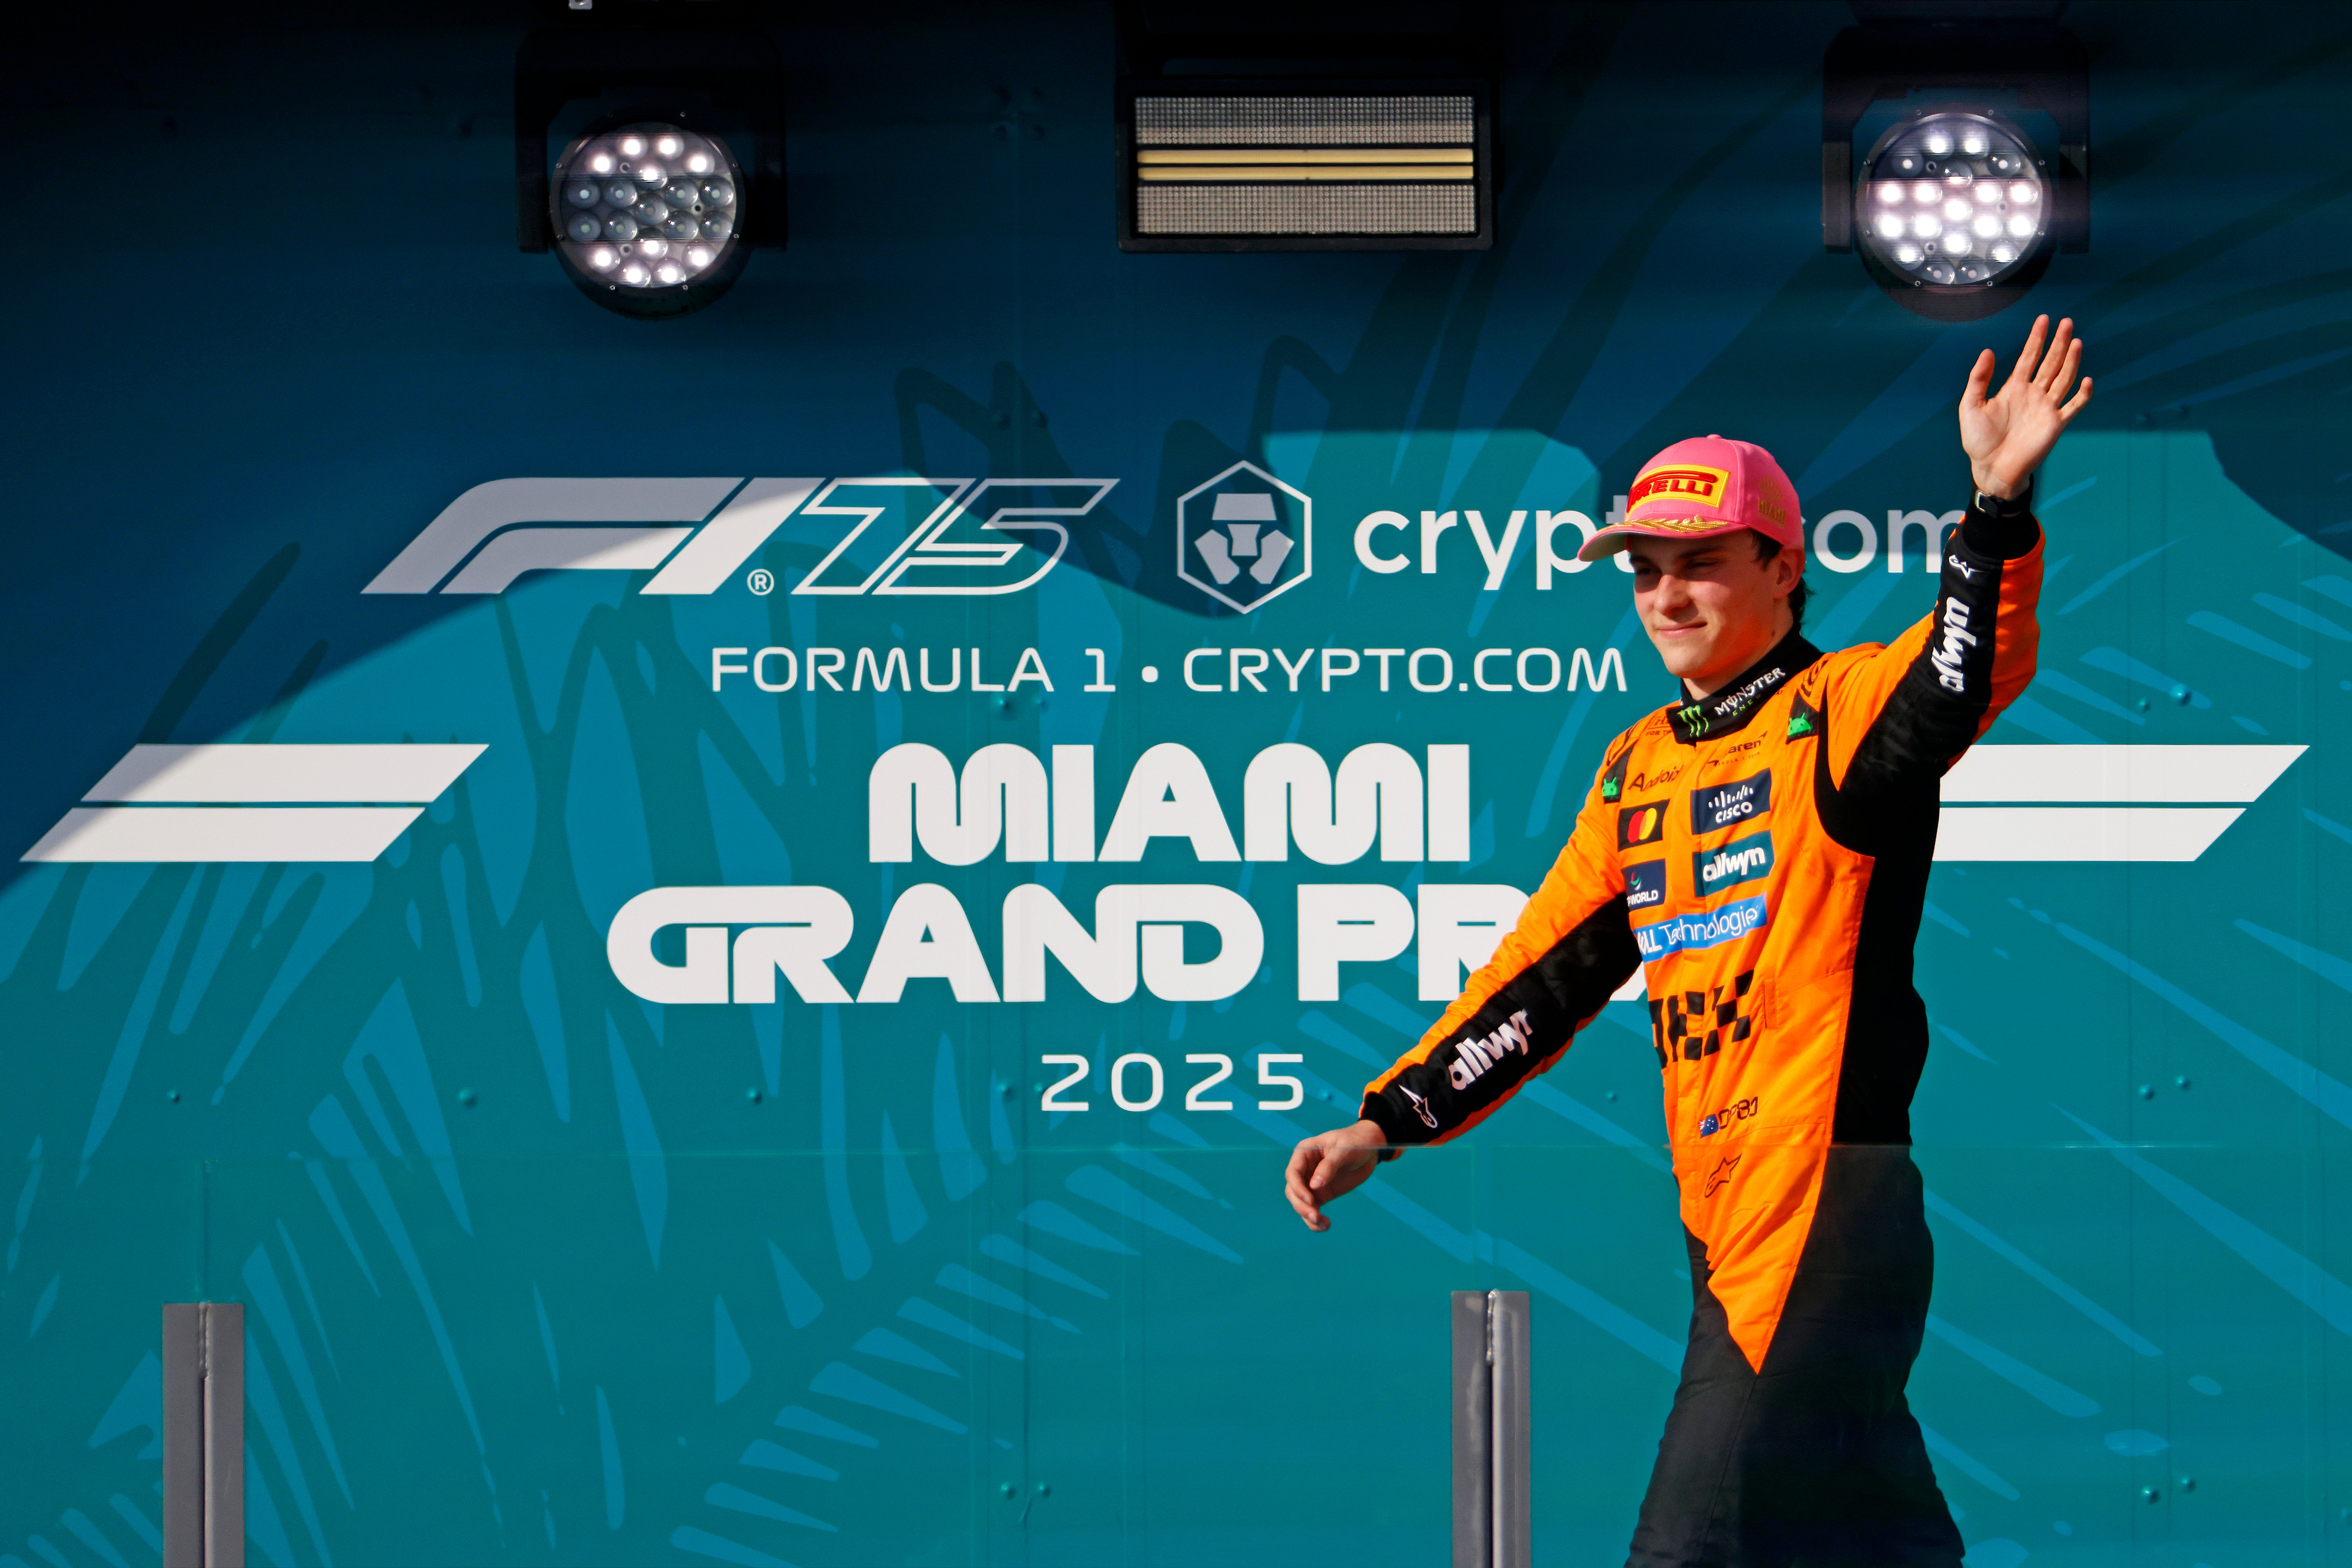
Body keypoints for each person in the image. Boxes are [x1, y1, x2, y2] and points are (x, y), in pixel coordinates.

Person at [1282, 316, 2091, 1565]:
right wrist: (1388, 1119)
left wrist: (1993, 510)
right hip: (1727, 1211)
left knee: (1692, 1544)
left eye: (1702, 563)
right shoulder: (1639, 768)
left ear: (1783, 567)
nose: (1667, 595)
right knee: (1875, 1537)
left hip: (1824, 1191)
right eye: (1647, 570)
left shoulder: (1841, 710)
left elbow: (1964, 677)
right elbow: (1541, 981)